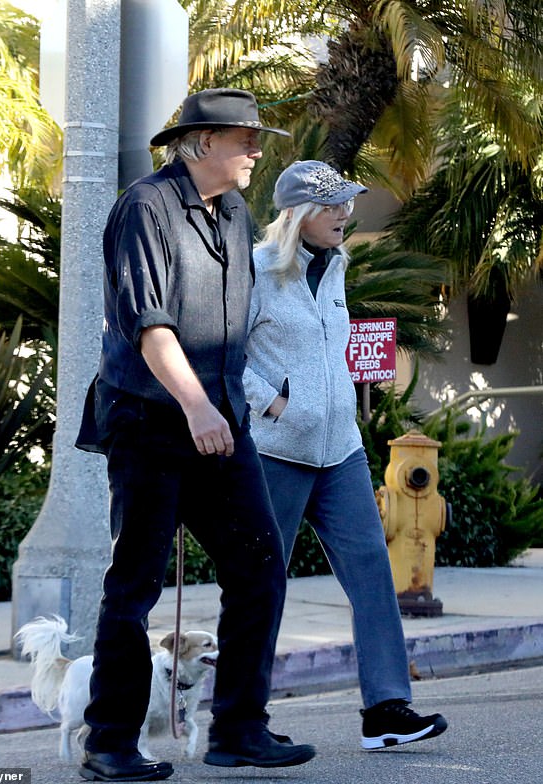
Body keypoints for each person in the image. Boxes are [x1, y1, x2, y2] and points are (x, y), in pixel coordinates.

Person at [75, 90, 317, 782]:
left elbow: (236, 324)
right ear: (202, 142)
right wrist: (195, 406)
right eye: (245, 138)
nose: (256, 150)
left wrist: (232, 407)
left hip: (220, 421)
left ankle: (240, 730)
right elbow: (150, 326)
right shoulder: (144, 208)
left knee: (260, 567)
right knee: (135, 584)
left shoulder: (235, 212)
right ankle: (109, 743)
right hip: (152, 420)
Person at [243, 160, 448, 751]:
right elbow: (226, 354)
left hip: (341, 454)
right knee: (262, 585)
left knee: (372, 578)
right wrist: (274, 404)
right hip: (276, 452)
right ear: (300, 214)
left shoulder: (336, 267)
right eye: (332, 206)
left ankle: (386, 711)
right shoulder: (256, 271)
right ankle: (245, 720)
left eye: (346, 204)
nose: (344, 215)